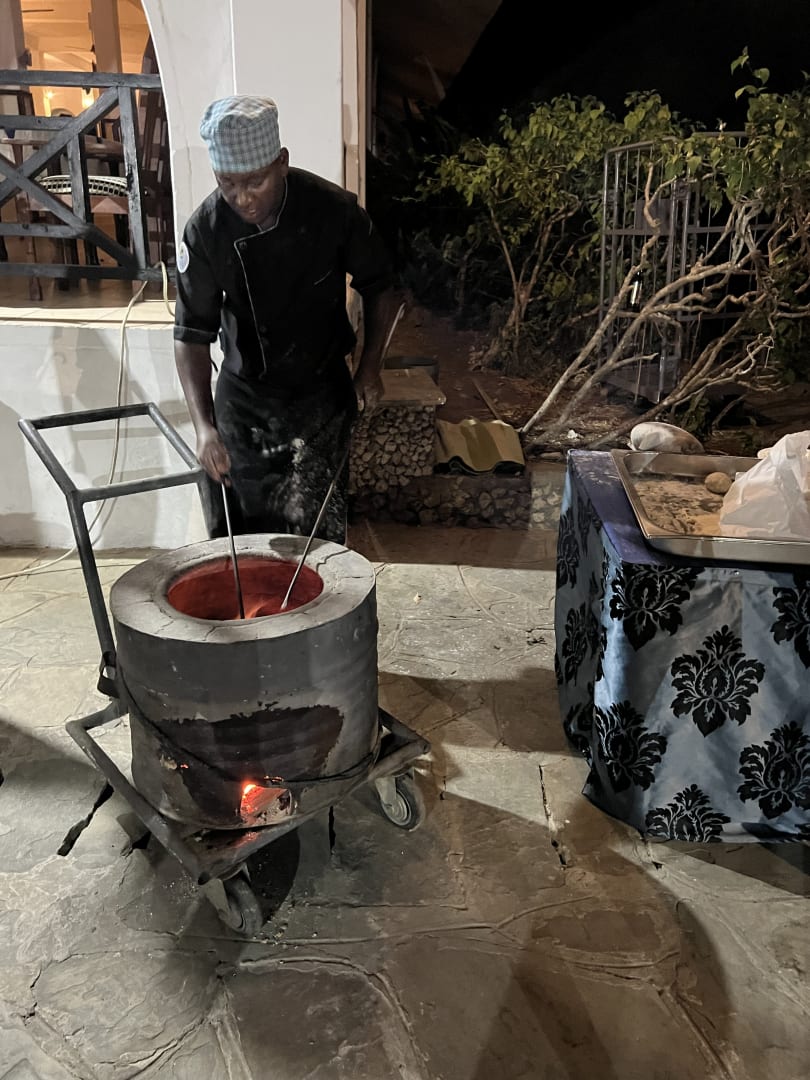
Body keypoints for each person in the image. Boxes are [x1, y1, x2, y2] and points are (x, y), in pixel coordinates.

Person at [174, 95, 397, 543]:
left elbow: (382, 287)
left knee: (317, 538)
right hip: (244, 400)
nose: (242, 198)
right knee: (242, 540)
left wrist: (371, 366)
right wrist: (203, 427)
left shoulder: (333, 211)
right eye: (227, 183)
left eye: (255, 181)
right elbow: (191, 334)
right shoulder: (205, 230)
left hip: (321, 395)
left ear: (282, 162)